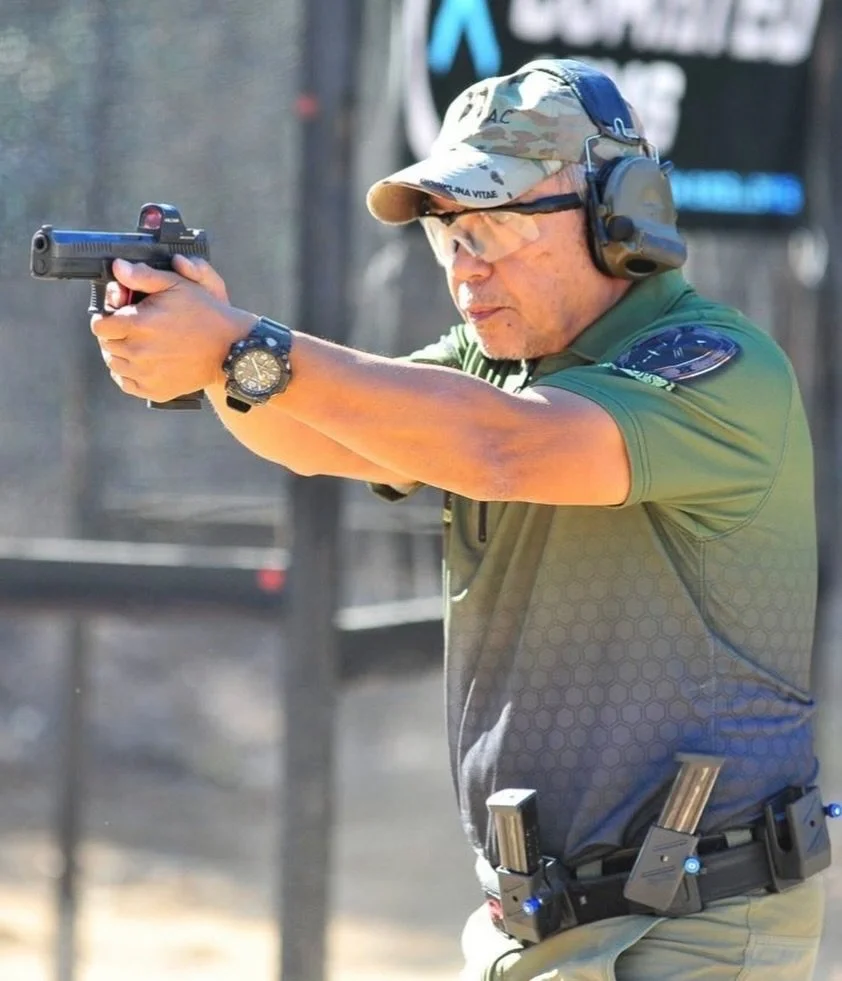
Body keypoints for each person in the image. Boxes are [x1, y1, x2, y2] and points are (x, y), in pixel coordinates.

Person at [90, 60, 830, 980]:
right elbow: (337, 436)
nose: (464, 263)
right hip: (537, 925)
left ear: (618, 211)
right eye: (447, 229)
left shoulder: (718, 364)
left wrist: (242, 344)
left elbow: (508, 447)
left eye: (496, 225)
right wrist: (205, 361)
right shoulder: (496, 363)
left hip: (694, 926)